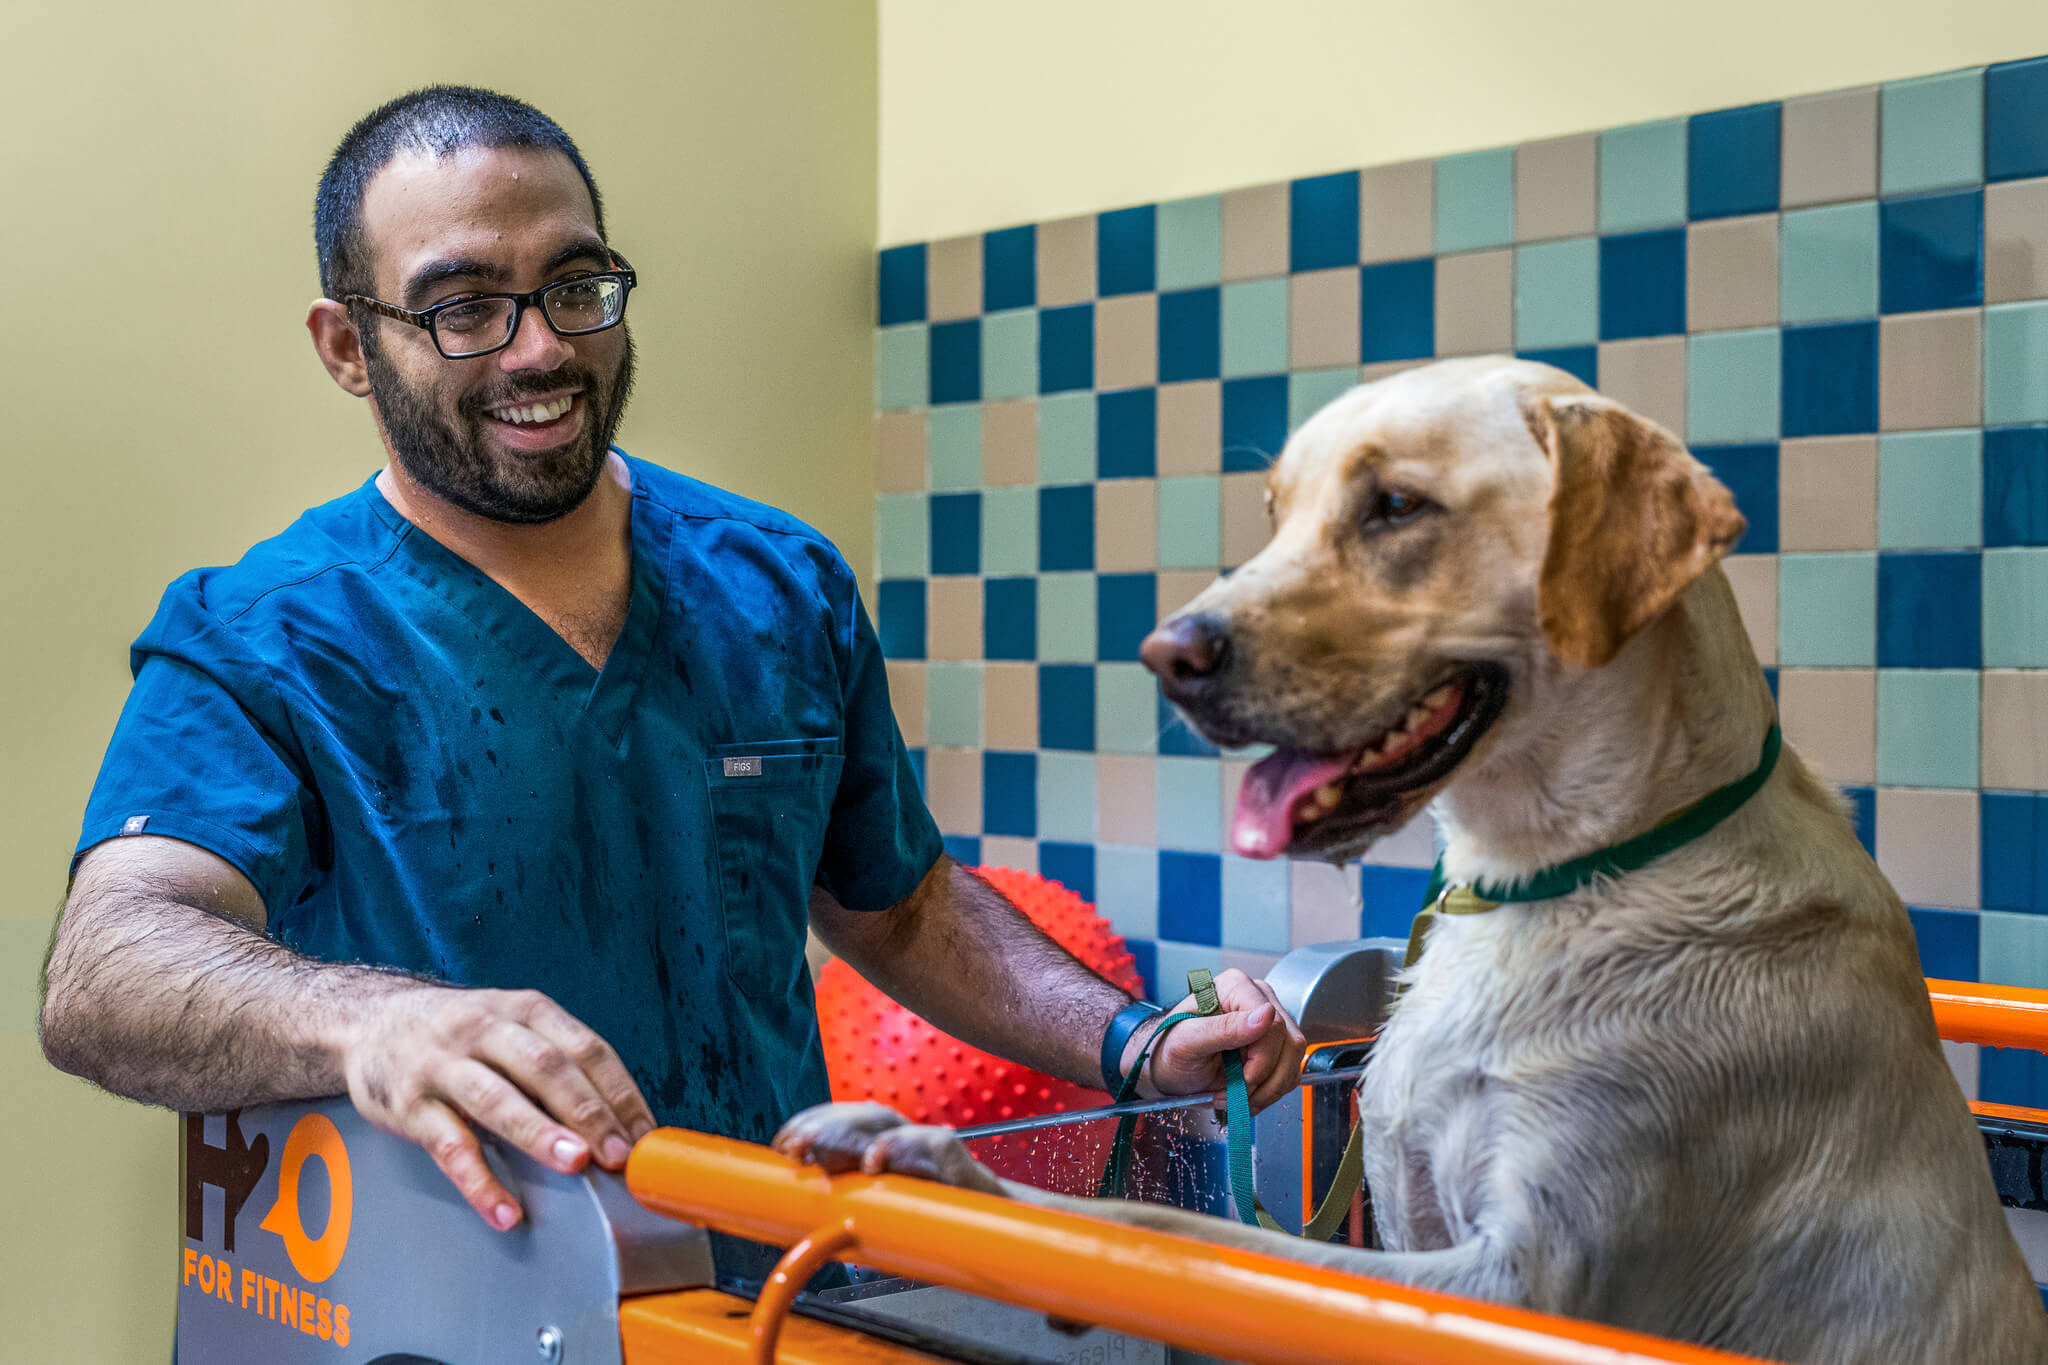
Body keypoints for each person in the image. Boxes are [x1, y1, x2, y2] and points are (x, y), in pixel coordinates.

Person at [38, 86, 1304, 1244]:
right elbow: (110, 965)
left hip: (779, 1286)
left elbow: (899, 904)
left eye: (575, 284)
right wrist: (380, 1019)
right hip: (443, 1297)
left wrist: (1136, 1043)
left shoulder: (777, 584)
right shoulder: (261, 634)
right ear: (347, 346)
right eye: (464, 305)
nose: (539, 349)